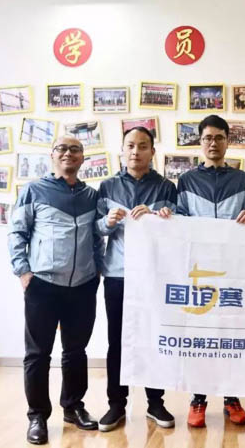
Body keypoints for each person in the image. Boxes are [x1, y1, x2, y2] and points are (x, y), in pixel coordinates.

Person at [8, 135, 104, 445]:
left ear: (83, 157)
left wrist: (97, 270)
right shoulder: (34, 190)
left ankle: (73, 407)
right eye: (62, 148)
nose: (68, 153)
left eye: (75, 149)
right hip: (43, 286)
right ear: (52, 155)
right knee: (38, 354)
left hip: (83, 286)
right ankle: (37, 416)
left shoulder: (92, 195)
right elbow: (17, 232)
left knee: (76, 352)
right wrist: (23, 272)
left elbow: (97, 237)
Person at [95, 127, 177, 432]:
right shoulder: (107, 186)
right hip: (118, 273)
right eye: (130, 145)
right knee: (117, 340)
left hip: (155, 273)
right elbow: (96, 228)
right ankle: (116, 404)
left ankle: (155, 402)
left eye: (143, 146)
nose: (136, 151)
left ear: (152, 152)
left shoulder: (166, 187)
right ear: (122, 150)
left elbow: (178, 227)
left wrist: (164, 216)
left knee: (155, 336)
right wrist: (107, 222)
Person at [176, 114, 245, 428]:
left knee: (231, 335)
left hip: (234, 268)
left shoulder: (242, 179)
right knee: (201, 336)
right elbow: (180, 221)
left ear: (227, 141)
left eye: (219, 137)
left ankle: (231, 397)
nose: (213, 143)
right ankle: (198, 398)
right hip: (200, 271)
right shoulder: (186, 181)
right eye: (207, 137)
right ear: (200, 141)